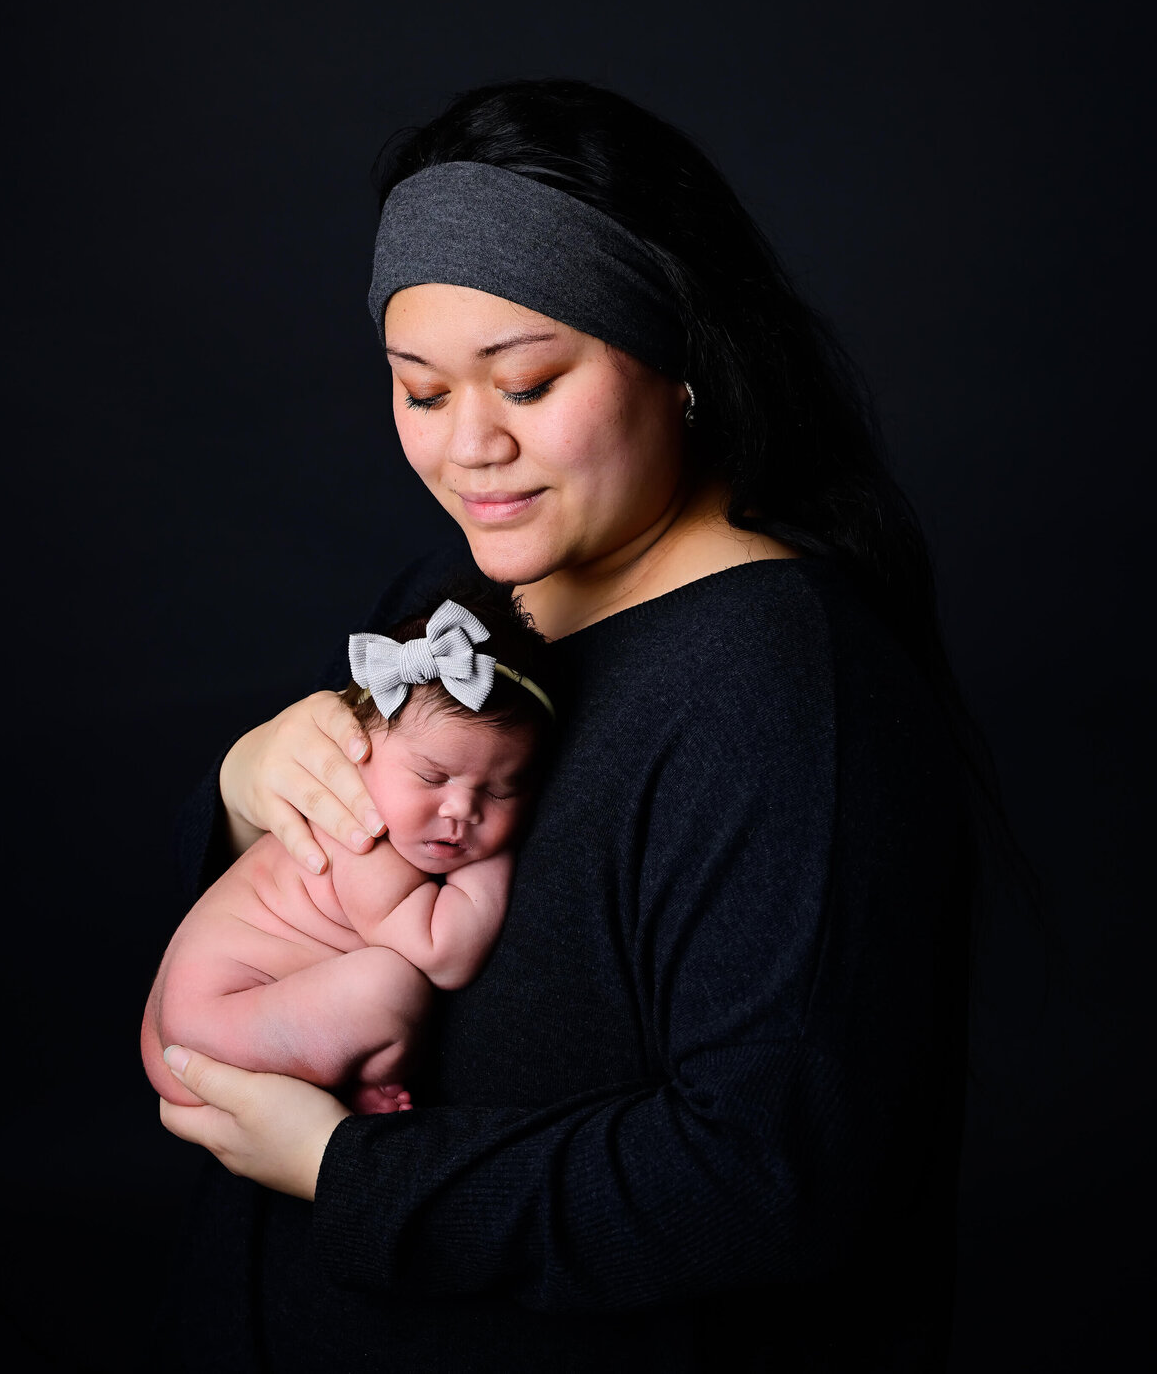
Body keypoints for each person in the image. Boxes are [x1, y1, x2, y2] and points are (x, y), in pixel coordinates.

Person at [153, 77, 977, 1372]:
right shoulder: (447, 616)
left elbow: (757, 1172)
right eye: (420, 393)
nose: (468, 445)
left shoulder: (779, 685)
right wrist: (253, 785)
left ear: (679, 360)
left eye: (528, 383)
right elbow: (286, 931)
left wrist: (343, 1167)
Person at [142, 595, 554, 1116]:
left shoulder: (404, 805)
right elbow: (444, 954)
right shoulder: (361, 837)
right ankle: (365, 1067)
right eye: (432, 777)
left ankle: (336, 1069)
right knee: (389, 988)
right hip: (211, 1025)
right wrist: (493, 858)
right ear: (356, 747)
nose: (462, 809)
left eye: (501, 791)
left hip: (213, 1016)